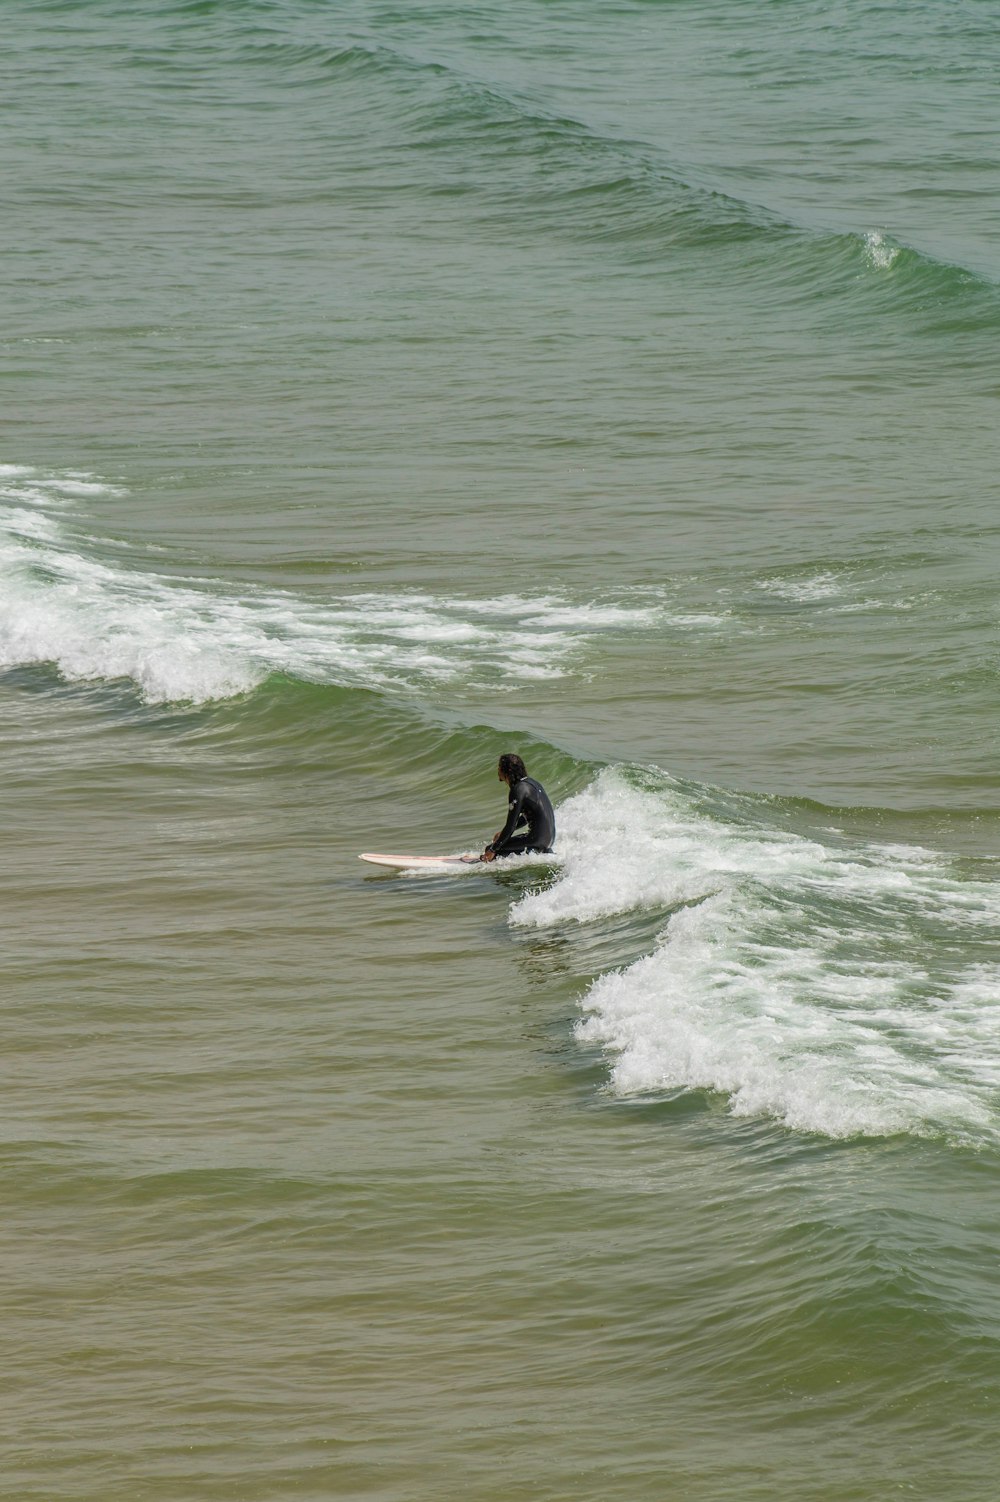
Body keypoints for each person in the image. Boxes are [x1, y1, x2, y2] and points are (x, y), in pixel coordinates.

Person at [480, 753, 555, 862]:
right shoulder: (531, 783)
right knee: (499, 844)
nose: (498, 769)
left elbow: (510, 826)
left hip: (537, 840)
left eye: (499, 767)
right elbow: (527, 817)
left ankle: (505, 876)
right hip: (549, 839)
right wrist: (502, 834)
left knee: (493, 849)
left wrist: (492, 849)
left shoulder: (517, 790)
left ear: (506, 771)